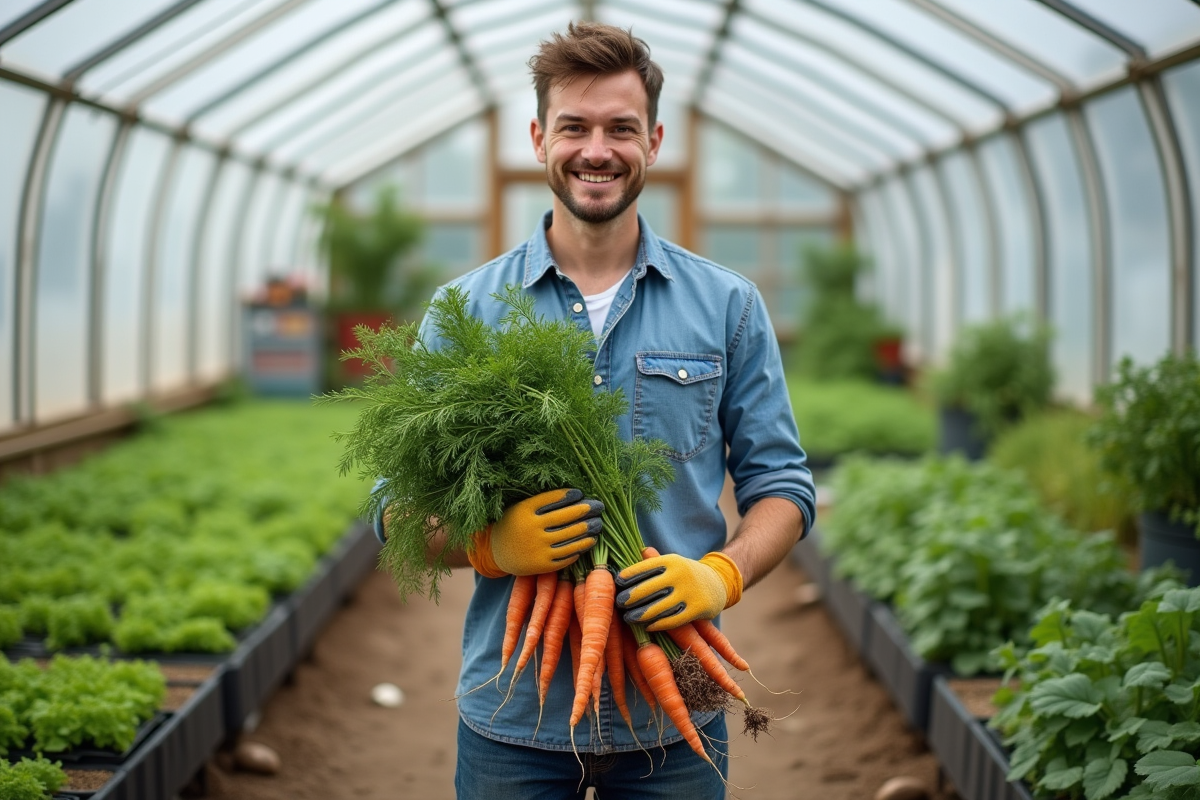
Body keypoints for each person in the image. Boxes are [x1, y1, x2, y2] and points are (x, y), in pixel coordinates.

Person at [374, 21, 816, 799]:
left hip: (677, 704)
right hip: (513, 713)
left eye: (621, 128)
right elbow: (395, 509)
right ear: (541, 136)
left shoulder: (727, 306)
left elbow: (782, 484)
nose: (597, 150)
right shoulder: (465, 310)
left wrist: (723, 575)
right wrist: (490, 547)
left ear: (655, 140)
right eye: (574, 127)